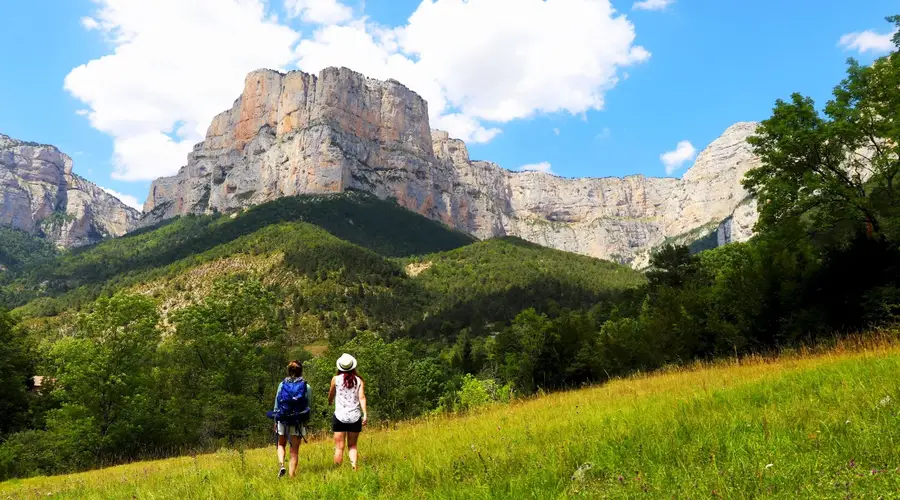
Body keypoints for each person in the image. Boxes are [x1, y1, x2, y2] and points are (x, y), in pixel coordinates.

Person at [272, 360, 311, 478]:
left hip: (283, 418)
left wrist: (275, 419)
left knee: (281, 444)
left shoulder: (282, 385)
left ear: (288, 371)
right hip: (297, 420)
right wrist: (306, 421)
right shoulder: (306, 386)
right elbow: (309, 405)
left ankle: (282, 465)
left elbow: (277, 402)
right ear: (301, 371)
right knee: (294, 450)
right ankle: (291, 475)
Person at [328, 353, 367, 470]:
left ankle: (337, 469)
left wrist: (330, 401)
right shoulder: (359, 381)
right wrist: (365, 414)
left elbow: (331, 394)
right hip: (355, 417)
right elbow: (362, 398)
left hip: (339, 416)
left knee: (339, 447)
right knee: (353, 445)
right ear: (353, 367)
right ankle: (354, 467)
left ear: (340, 367)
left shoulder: (336, 379)